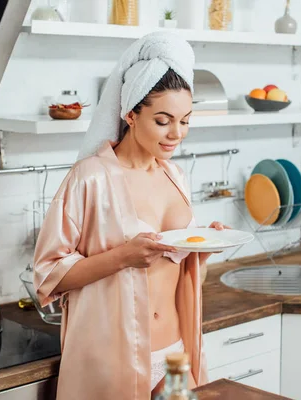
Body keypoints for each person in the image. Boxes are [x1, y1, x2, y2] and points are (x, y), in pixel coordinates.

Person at [33, 31, 228, 399]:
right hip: (112, 358)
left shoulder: (177, 177)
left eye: (185, 120)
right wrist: (123, 257)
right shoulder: (90, 178)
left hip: (175, 355)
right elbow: (48, 274)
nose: (176, 134)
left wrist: (204, 253)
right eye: (163, 120)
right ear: (130, 114)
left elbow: (180, 278)